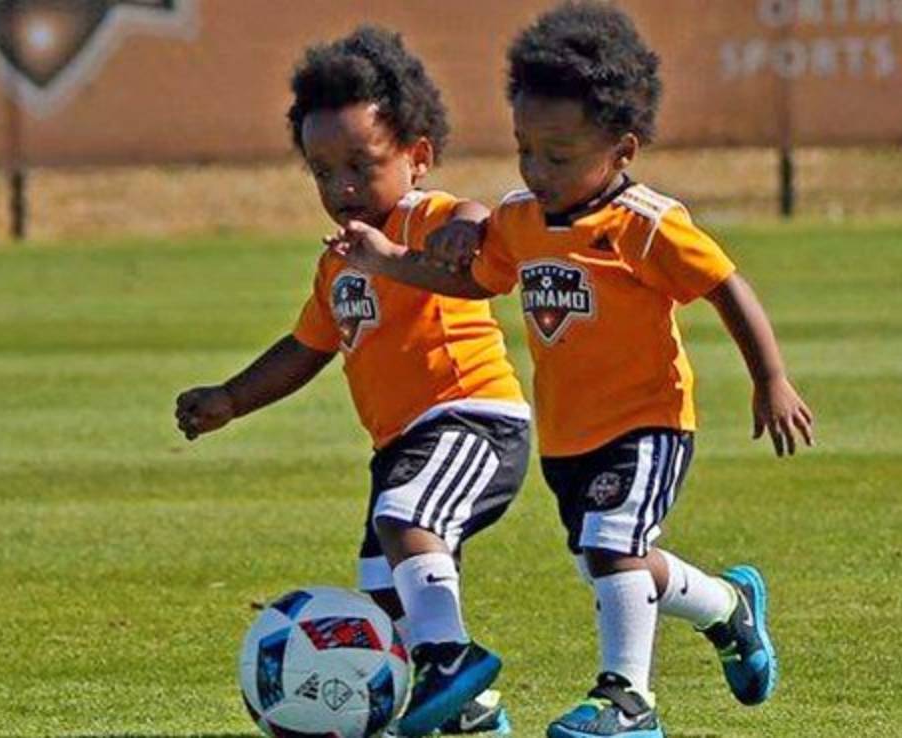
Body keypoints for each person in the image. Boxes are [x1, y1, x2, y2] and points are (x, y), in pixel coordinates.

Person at [323, 4, 815, 737]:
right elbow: (477, 279)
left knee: (613, 548)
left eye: (557, 155)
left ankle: (627, 701)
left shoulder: (645, 224)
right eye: (525, 149)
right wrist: (392, 262)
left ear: (621, 150)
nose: (535, 170)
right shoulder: (522, 220)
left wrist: (769, 377)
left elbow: (724, 286)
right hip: (567, 433)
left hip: (647, 421)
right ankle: (727, 607)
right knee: (613, 563)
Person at [174, 26, 530, 737]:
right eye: (322, 171)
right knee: (382, 597)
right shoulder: (338, 265)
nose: (342, 188)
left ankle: (451, 661)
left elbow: (471, 215)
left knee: (406, 520)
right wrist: (232, 399)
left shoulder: (419, 219)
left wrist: (462, 231)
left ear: (418, 157)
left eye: (361, 166)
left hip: (472, 420)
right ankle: (474, 714)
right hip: (401, 444)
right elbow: (306, 348)